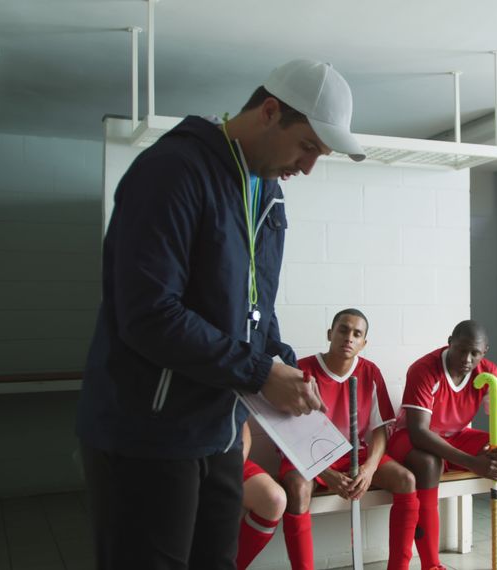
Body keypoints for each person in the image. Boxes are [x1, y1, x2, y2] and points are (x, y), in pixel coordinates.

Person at [76, 59, 366, 570]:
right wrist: (259, 372)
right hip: (149, 430)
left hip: (221, 428)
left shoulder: (267, 194)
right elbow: (149, 314)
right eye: (307, 147)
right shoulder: (174, 171)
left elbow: (255, 308)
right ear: (270, 112)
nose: (308, 168)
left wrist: (281, 361)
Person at [389, 320, 497, 570]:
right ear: (450, 343)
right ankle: (431, 565)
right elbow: (418, 432)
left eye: (475, 353)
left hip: (456, 436)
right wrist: (474, 463)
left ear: (484, 351)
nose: (467, 358)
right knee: (428, 463)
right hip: (411, 438)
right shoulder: (424, 369)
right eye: (461, 350)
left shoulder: (489, 373)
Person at [278, 308, 420, 570]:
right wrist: (326, 472)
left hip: (355, 453)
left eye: (357, 334)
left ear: (363, 343)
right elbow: (290, 432)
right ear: (331, 333)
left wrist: (369, 469)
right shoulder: (301, 370)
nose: (349, 338)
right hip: (306, 454)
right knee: (298, 490)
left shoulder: (370, 372)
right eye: (343, 330)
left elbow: (380, 431)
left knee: (407, 480)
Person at [237, 423, 286, 570]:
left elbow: (244, 427)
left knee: (274, 500)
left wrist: (233, 465)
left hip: (227, 458)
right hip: (178, 458)